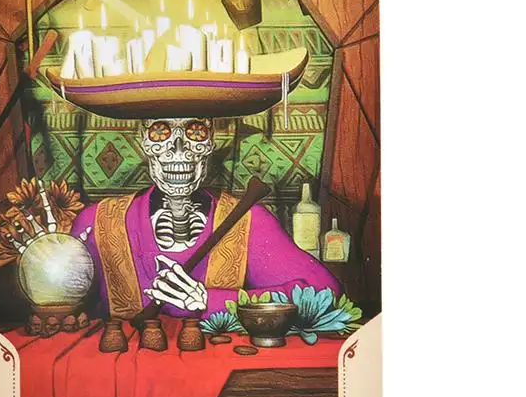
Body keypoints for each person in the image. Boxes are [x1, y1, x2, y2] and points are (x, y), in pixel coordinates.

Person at [71, 117, 338, 319]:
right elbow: (66, 304)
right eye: (160, 132)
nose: (178, 149)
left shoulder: (247, 221)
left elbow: (324, 294)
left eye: (195, 132)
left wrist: (211, 301)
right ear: (143, 140)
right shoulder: (99, 222)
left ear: (211, 142)